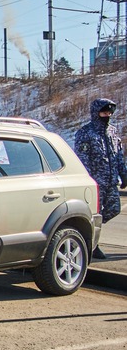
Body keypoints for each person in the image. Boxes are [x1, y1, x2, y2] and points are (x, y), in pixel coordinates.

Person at [74, 98, 127, 259]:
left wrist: (123, 174)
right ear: (96, 113)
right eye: (104, 112)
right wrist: (88, 181)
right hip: (95, 183)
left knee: (114, 209)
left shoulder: (112, 131)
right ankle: (93, 245)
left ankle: (91, 232)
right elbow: (83, 159)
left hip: (110, 182)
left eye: (109, 113)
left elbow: (118, 155)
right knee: (93, 214)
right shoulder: (85, 132)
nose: (107, 115)